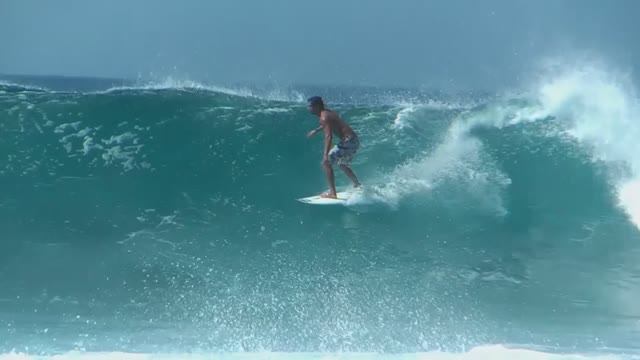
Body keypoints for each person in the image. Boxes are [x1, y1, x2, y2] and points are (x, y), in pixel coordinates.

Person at [306, 96, 361, 198]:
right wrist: (316, 130)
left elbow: (328, 136)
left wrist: (325, 155)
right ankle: (357, 184)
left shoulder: (323, 117)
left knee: (326, 163)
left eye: (310, 106)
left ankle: (332, 193)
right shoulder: (327, 113)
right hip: (353, 140)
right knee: (342, 164)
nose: (308, 108)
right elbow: (327, 124)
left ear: (317, 106)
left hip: (348, 142)